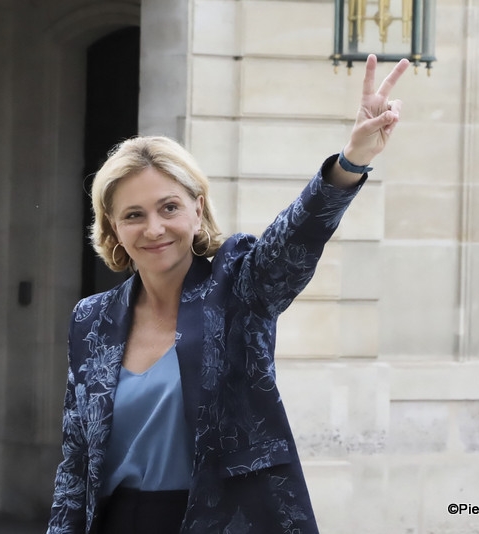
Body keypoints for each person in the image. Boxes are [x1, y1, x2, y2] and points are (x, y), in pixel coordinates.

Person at [47, 54, 409, 534]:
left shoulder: (239, 287)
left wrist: (351, 161)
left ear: (198, 210)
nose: (153, 228)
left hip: (222, 520)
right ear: (113, 226)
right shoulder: (91, 319)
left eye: (169, 207)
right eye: (133, 215)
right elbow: (76, 461)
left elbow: (295, 237)